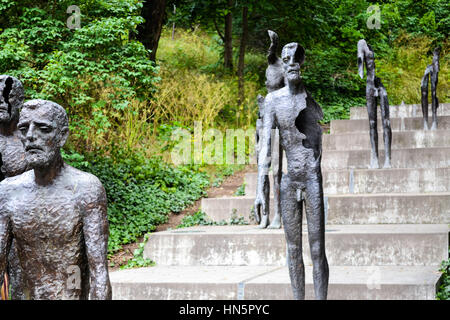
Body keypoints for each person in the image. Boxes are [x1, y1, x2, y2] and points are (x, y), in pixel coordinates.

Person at [0, 99, 111, 299]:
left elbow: (99, 272)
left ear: (62, 136)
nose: (31, 136)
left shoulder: (86, 189)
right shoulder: (7, 191)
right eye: (24, 129)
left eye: (43, 128)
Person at [254, 42, 329, 300]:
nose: (292, 62)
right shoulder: (273, 101)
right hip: (289, 181)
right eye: (287, 58)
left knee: (317, 249)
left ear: (302, 62)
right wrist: (259, 191)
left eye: (297, 57)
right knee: (293, 248)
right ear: (282, 64)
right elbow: (265, 148)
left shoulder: (309, 97)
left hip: (311, 178)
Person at [0, 75, 28, 300]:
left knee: (20, 282)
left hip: (21, 222)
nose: (1, 101)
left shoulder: (29, 137)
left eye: (7, 96)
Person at [357, 39, 392, 169]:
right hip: (369, 86)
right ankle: (375, 158)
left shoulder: (367, 46)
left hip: (378, 86)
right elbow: (360, 62)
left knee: (386, 122)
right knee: (372, 124)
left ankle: (388, 159)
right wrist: (360, 67)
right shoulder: (361, 44)